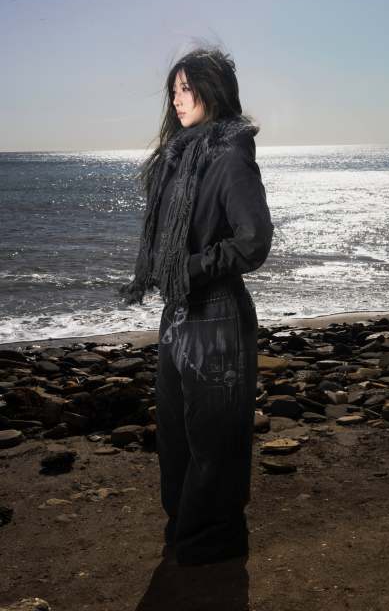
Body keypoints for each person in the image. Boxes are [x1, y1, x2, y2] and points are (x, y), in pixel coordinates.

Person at [119, 46, 274, 566]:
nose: (177, 99)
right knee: (176, 436)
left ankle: (211, 543)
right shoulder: (178, 157)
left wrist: (189, 269)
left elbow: (254, 241)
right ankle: (185, 529)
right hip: (179, 312)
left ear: (214, 90)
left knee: (214, 439)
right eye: (174, 90)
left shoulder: (230, 155)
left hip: (217, 313)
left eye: (186, 88)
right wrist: (169, 273)